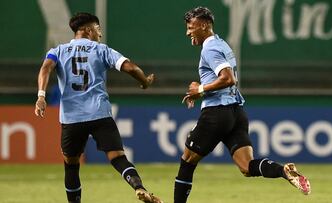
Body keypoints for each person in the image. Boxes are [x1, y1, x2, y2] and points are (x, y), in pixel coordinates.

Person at [174, 6, 311, 203]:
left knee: (187, 162)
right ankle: (284, 171)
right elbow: (224, 80)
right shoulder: (222, 44)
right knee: (247, 167)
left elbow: (228, 79)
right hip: (235, 113)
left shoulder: (210, 48)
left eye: (190, 27)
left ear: (204, 26)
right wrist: (201, 92)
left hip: (216, 114)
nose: (188, 32)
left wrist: (201, 89)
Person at [34, 12, 163, 203]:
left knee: (71, 165)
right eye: (98, 29)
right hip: (99, 114)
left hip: (72, 118)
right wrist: (144, 82)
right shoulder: (102, 50)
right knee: (118, 158)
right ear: (87, 30)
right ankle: (139, 187)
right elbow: (131, 68)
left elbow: (46, 68)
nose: (100, 34)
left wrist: (41, 96)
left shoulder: (58, 51)